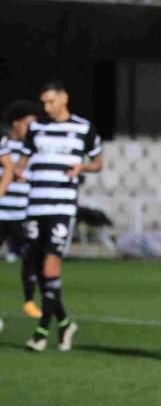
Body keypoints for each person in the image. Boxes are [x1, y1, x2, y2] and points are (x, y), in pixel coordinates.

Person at [18, 82, 103, 352]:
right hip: (35, 208)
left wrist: (83, 167)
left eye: (51, 102)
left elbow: (98, 162)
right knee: (40, 271)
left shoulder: (83, 128)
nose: (47, 107)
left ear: (64, 98)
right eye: (44, 103)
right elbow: (22, 162)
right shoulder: (36, 128)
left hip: (62, 208)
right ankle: (65, 324)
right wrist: (17, 170)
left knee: (50, 268)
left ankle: (42, 332)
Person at [0, 101, 40, 325]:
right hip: (1, 213)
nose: (31, 130)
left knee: (32, 257)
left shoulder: (33, 150)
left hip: (23, 213)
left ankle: (29, 301)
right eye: (28, 125)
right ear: (16, 124)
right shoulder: (3, 144)